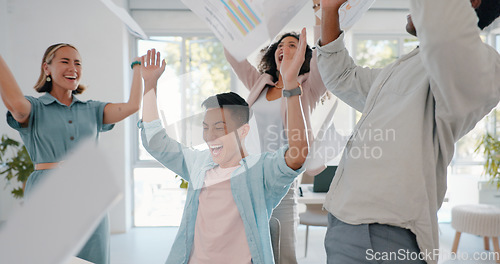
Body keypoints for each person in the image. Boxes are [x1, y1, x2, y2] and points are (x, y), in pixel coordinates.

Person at [316, 0, 500, 263]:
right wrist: (329, 10)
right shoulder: (399, 69)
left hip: (384, 232)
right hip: (345, 223)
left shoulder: (480, 66)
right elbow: (341, 77)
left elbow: (444, 33)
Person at [139, 29, 309, 264]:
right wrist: (149, 85)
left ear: (243, 131)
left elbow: (297, 154)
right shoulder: (199, 164)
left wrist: (290, 85)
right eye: (206, 128)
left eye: (220, 128)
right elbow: (156, 142)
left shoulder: (260, 170)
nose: (210, 137)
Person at [0, 44, 146, 264]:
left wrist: (138, 69)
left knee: (92, 259)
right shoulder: (35, 107)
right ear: (46, 68)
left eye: (78, 63)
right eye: (65, 61)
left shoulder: (93, 109)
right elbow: (17, 106)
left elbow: (132, 106)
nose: (73, 68)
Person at [223, 1, 328, 261]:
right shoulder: (261, 83)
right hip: (248, 177)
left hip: (281, 180)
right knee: (245, 252)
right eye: (280, 46)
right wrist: (231, 21)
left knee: (282, 253)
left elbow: (325, 57)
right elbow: (233, 55)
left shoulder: (308, 86)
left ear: (304, 54)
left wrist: (320, 16)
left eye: (292, 45)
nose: (284, 48)